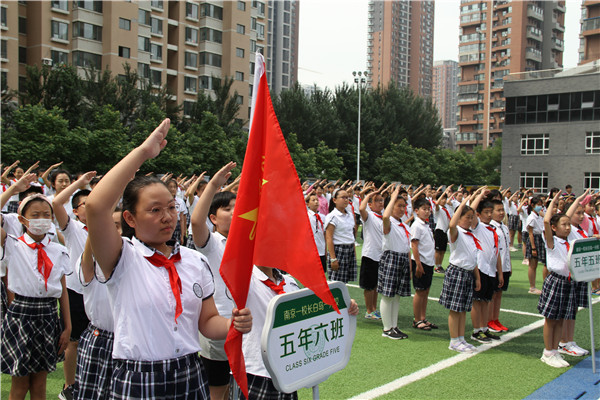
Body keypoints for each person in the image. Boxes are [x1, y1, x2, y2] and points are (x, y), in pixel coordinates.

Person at [85, 118, 252, 399]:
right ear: (130, 218)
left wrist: (231, 324)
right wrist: (142, 152)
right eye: (154, 210)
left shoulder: (193, 261)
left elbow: (207, 321)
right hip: (139, 376)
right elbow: (96, 206)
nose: (167, 216)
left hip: (189, 372)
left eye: (172, 207)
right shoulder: (123, 257)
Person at [230, 265, 360, 400]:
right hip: (257, 373)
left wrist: (344, 306)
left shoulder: (289, 283)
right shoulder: (246, 281)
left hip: (287, 373)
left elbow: (309, 317)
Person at [0, 193, 72, 400]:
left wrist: (67, 326)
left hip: (48, 316)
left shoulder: (58, 250)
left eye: (46, 215)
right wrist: (15, 188)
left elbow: (62, 291)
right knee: (20, 384)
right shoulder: (12, 245)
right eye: (35, 215)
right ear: (22, 219)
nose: (41, 219)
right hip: (21, 316)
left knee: (40, 383)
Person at [191, 162, 238, 400]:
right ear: (214, 218)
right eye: (228, 209)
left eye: (238, 207)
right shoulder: (211, 244)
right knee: (218, 389)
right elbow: (196, 223)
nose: (235, 211)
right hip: (219, 324)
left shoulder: (247, 243)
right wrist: (213, 185)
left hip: (248, 325)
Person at [52, 171, 97, 400]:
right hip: (76, 290)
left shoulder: (103, 227)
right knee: (74, 340)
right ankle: (70, 385)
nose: (89, 208)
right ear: (76, 211)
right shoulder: (72, 229)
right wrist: (79, 183)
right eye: (84, 205)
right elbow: (56, 202)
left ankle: (91, 380)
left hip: (99, 290)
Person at [439, 194, 481, 353]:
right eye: (467, 217)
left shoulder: (471, 235)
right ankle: (454, 340)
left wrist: (477, 276)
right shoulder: (455, 232)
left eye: (472, 217)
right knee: (456, 309)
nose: (470, 220)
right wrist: (463, 203)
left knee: (463, 308)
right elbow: (451, 224)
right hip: (457, 272)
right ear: (459, 217)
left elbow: (473, 257)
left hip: (468, 273)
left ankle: (461, 338)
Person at [538, 192, 574, 368]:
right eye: (563, 224)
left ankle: (555, 350)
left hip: (568, 282)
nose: (567, 228)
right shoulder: (552, 242)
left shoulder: (569, 242)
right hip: (556, 281)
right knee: (551, 318)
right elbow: (546, 221)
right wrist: (553, 201)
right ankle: (547, 352)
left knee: (560, 318)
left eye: (569, 225)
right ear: (554, 227)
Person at [558, 189, 592, 357]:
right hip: (570, 274)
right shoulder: (569, 229)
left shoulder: (581, 230)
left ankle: (570, 340)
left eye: (582, 213)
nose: (581, 216)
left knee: (574, 309)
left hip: (579, 273)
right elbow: (568, 212)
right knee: (568, 309)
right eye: (578, 213)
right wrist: (579, 199)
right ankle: (563, 342)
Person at [468, 190, 503, 344]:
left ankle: (484, 328)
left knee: (486, 300)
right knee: (477, 300)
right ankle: (476, 331)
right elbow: (471, 209)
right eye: (486, 212)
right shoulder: (477, 227)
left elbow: (497, 253)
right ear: (479, 214)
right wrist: (480, 195)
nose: (489, 215)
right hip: (480, 269)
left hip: (491, 270)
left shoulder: (493, 230)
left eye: (490, 212)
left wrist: (500, 273)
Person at [378, 185, 412, 339]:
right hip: (391, 258)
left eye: (404, 206)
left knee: (397, 295)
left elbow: (407, 247)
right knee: (387, 295)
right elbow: (385, 217)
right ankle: (387, 328)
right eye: (399, 206)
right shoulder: (389, 222)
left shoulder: (403, 225)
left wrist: (410, 266)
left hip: (403, 259)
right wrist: (393, 197)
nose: (402, 209)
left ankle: (394, 326)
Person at [410, 197, 438, 331]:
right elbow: (414, 245)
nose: (427, 212)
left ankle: (423, 317)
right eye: (424, 209)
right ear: (416, 210)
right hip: (420, 262)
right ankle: (417, 320)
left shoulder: (426, 224)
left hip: (428, 261)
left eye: (428, 209)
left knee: (426, 291)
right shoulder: (416, 225)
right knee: (420, 291)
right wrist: (418, 264)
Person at [359, 186, 385, 320]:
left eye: (382, 200)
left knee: (375, 285)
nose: (381, 203)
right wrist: (369, 195)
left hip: (380, 255)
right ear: (370, 204)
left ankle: (374, 309)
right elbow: (361, 209)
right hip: (370, 254)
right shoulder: (369, 216)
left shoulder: (382, 216)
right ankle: (369, 310)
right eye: (377, 201)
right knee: (369, 286)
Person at [488, 199, 511, 333]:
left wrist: (509, 266)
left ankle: (496, 318)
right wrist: (500, 270)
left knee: (499, 294)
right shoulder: (491, 227)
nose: (501, 213)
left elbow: (506, 248)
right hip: (496, 267)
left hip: (505, 265)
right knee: (493, 294)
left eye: (502, 210)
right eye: (498, 210)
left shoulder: (504, 227)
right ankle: (489, 320)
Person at [325, 189, 357, 284]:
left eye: (347, 197)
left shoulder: (350, 215)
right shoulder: (332, 216)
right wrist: (333, 258)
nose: (346, 200)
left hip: (349, 248)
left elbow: (351, 236)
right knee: (337, 282)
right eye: (343, 197)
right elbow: (329, 238)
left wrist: (353, 252)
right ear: (334, 200)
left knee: (345, 281)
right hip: (339, 250)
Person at [525, 196, 546, 294]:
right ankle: (532, 287)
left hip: (540, 238)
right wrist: (533, 247)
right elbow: (530, 233)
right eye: (538, 205)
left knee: (537, 264)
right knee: (533, 265)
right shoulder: (531, 217)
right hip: (534, 239)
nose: (540, 207)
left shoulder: (539, 216)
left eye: (541, 205)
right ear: (532, 205)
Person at [433, 186, 454, 274]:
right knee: (438, 250)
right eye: (442, 199)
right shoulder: (438, 209)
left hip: (445, 231)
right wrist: (442, 193)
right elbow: (437, 203)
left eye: (445, 199)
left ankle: (440, 265)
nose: (444, 201)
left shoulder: (447, 208)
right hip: (439, 230)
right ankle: (436, 266)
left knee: (443, 250)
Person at [305, 192, 327, 273]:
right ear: (308, 204)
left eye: (317, 200)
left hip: (321, 249)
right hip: (311, 251)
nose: (316, 202)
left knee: (322, 273)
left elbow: (324, 234)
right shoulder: (306, 216)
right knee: (311, 273)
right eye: (313, 200)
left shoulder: (323, 217)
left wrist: (325, 249)